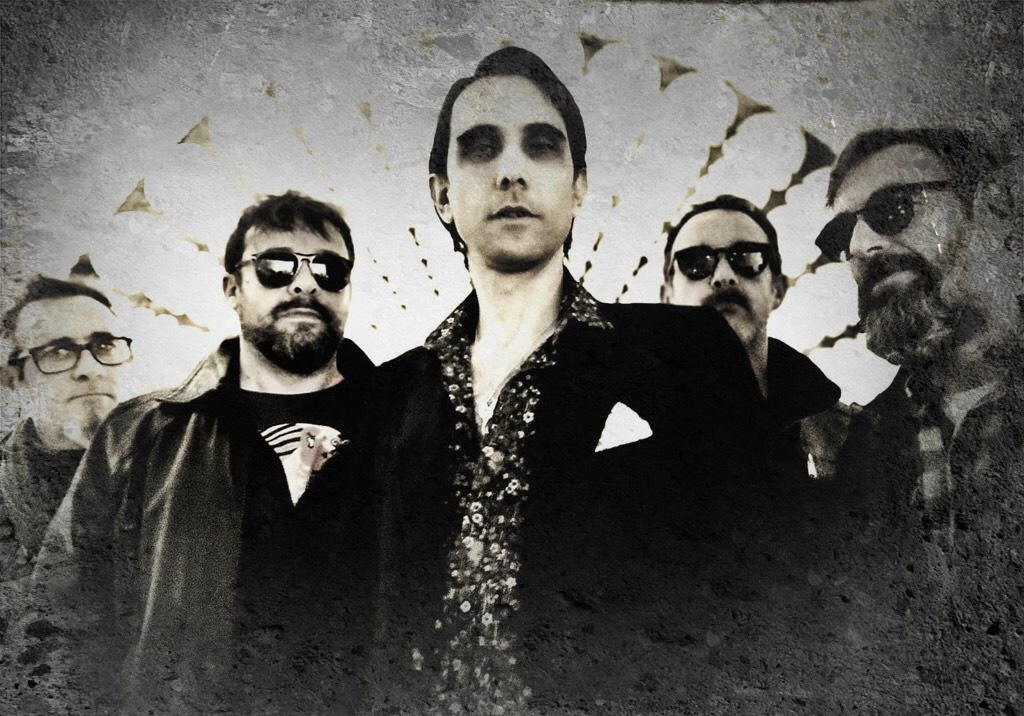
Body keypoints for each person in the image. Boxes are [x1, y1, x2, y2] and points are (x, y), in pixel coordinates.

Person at [367, 47, 766, 714]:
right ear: (442, 195)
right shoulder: (387, 396)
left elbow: (753, 579)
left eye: (541, 146)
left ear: (578, 186)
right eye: (481, 148)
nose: (512, 171)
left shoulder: (686, 351)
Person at [32, 191, 375, 714]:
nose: (305, 283)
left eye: (330, 269)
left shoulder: (407, 424)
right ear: (232, 288)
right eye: (276, 266)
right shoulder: (139, 434)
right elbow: (56, 625)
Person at [817, 128, 1022, 711]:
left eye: (893, 209)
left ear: (994, 213)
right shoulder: (863, 447)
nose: (860, 247)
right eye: (841, 236)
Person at [662, 194, 842, 483]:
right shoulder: (607, 438)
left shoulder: (853, 446)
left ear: (777, 290)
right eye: (695, 262)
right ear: (667, 296)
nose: (723, 276)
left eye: (747, 258)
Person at [1, 277, 132, 581]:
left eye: (104, 346)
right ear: (14, 379)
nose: (91, 369)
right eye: (58, 352)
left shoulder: (177, 464)